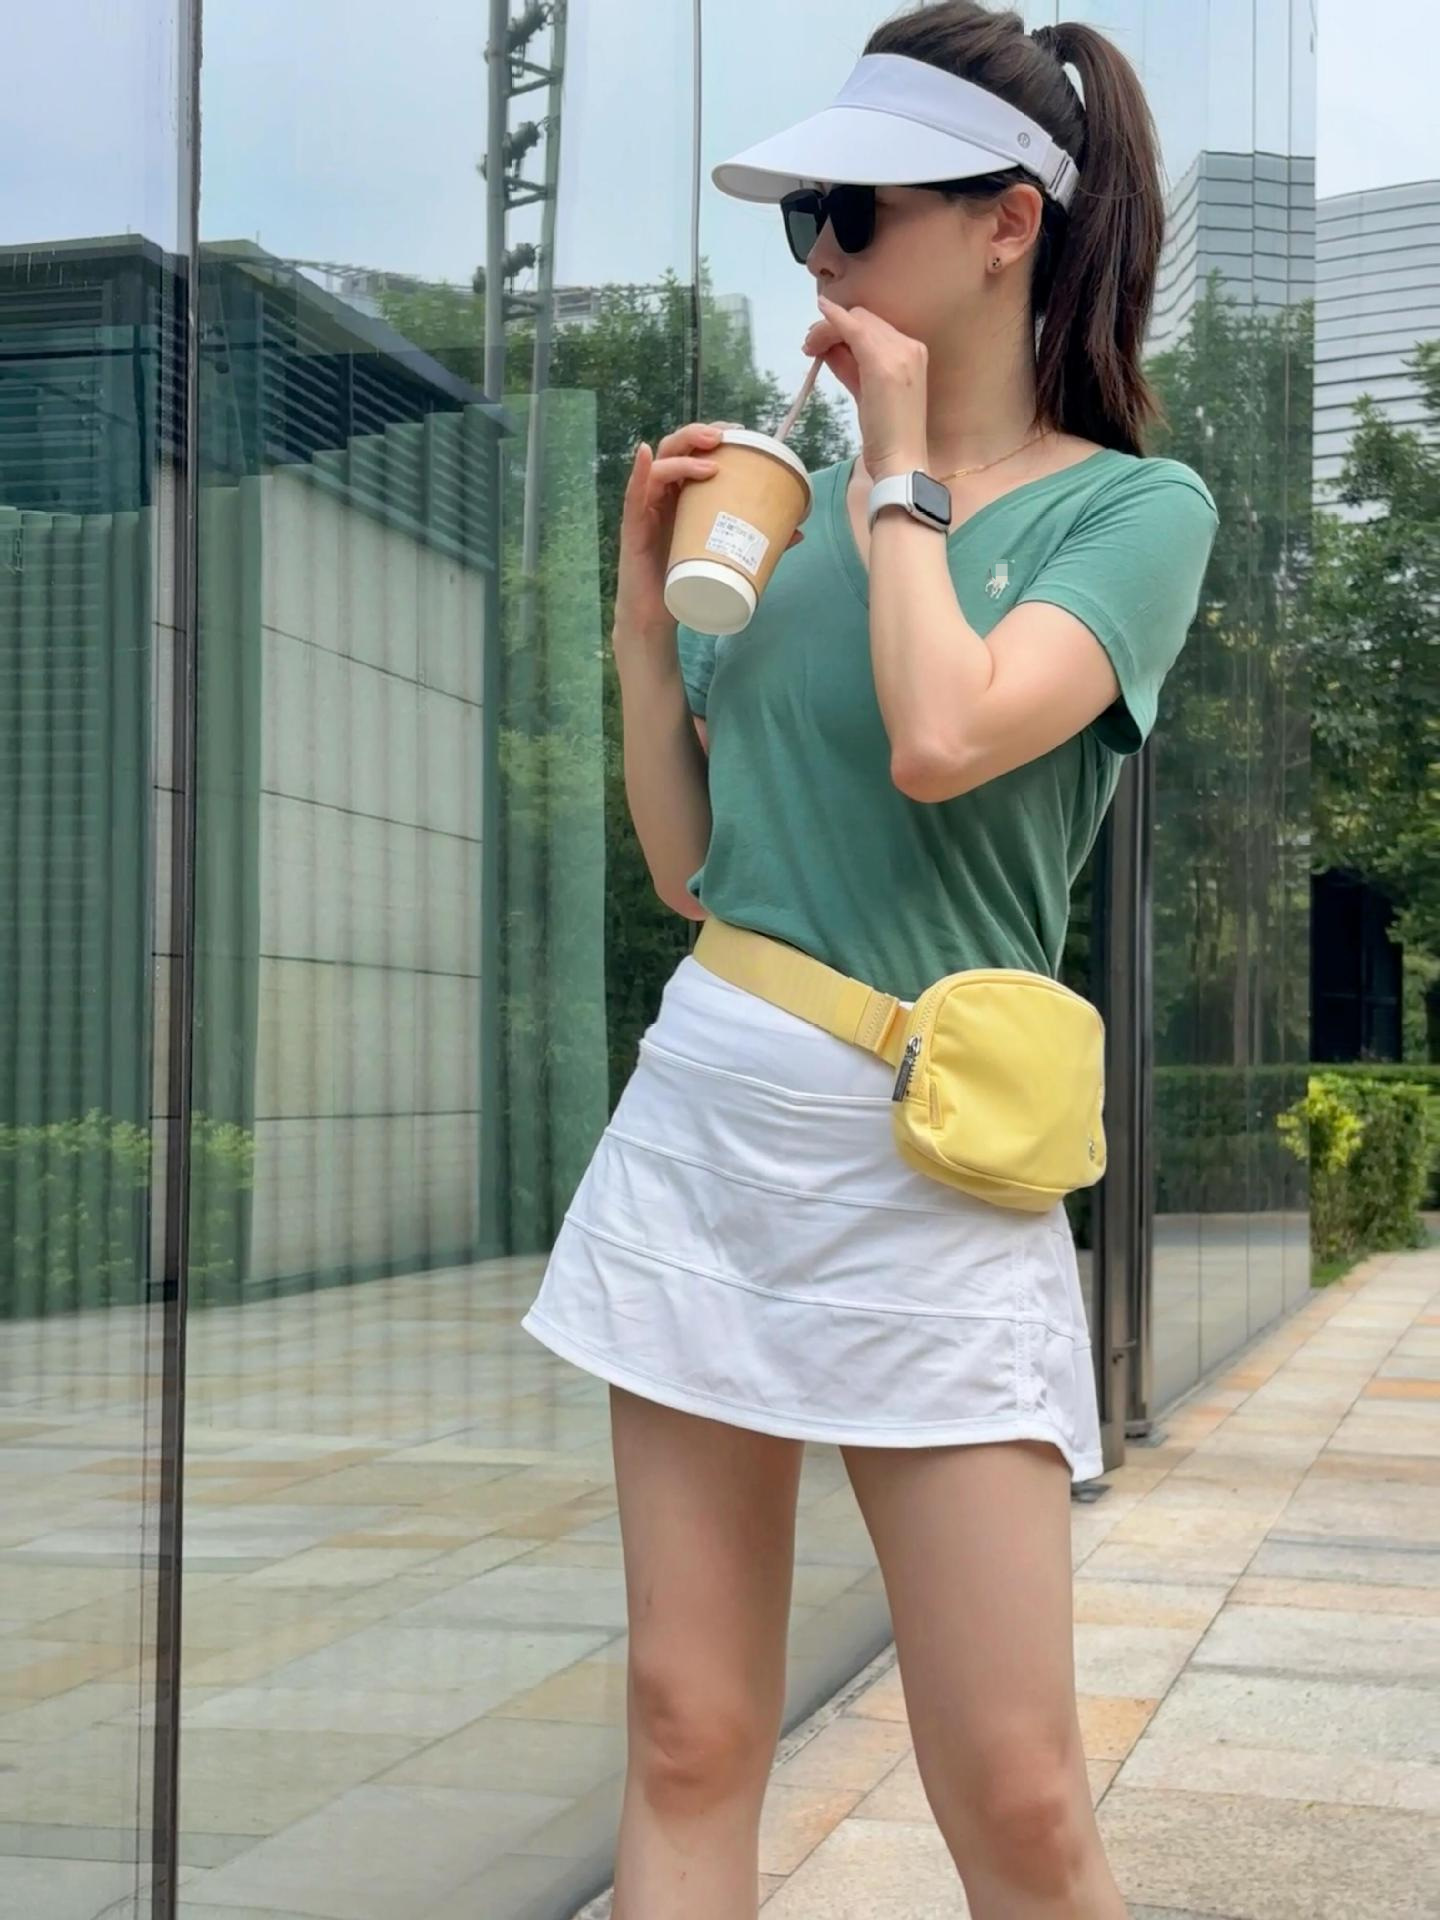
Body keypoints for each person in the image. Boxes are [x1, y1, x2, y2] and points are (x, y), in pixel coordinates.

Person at [522, 4, 1218, 1915]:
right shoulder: (794, 529)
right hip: (711, 1121)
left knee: (1019, 1793)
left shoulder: (1131, 510)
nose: (819, 256)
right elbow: (694, 871)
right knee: (685, 1731)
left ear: (1008, 226)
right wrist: (643, 622)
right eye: (800, 220)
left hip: (933, 1163)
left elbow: (944, 733)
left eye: (855, 213)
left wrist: (897, 466)